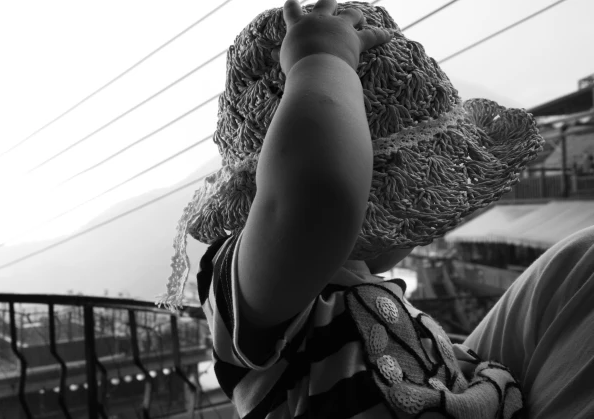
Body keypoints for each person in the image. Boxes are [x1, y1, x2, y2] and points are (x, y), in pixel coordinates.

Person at [154, 0, 593, 417]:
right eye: (402, 192)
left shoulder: (362, 293)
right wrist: (322, 59)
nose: (414, 216)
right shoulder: (258, 288)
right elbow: (317, 198)